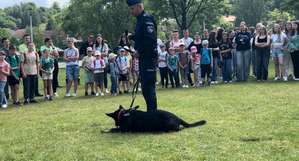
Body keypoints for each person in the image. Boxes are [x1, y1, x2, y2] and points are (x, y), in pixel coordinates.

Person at [127, 0, 158, 111]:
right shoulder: (140, 20)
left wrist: (138, 51)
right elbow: (143, 38)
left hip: (148, 58)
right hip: (144, 59)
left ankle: (153, 116)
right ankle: (151, 114)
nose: (130, 11)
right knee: (145, 88)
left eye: (132, 8)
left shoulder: (146, 19)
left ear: (140, 6)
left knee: (148, 89)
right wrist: (133, 37)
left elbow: (151, 38)